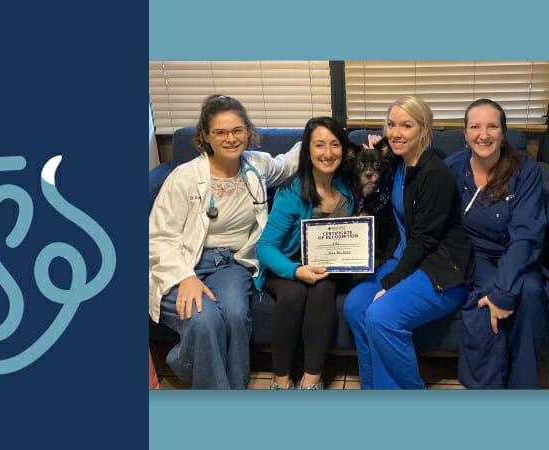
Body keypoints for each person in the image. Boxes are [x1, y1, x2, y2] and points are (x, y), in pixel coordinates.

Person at [148, 94, 301, 389]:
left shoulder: (256, 165)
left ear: (248, 131)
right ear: (205, 135)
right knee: (204, 321)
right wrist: (185, 277)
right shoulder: (184, 177)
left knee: (233, 315)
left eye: (237, 130)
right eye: (220, 132)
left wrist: (317, 135)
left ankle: (208, 373)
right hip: (185, 261)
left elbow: (288, 164)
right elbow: (159, 236)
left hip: (232, 263)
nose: (230, 139)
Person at [342, 95, 475, 389]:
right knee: (354, 304)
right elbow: (369, 182)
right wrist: (373, 153)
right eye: (391, 125)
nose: (397, 132)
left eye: (407, 125)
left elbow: (425, 241)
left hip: (440, 269)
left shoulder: (434, 173)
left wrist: (390, 284)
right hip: (406, 262)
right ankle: (375, 387)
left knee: (380, 315)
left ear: (424, 129)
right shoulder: (399, 165)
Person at [445, 98, 547, 389]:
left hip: (516, 255)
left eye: (492, 126)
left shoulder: (526, 172)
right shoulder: (451, 169)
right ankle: (486, 389)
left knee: (529, 291)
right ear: (464, 134)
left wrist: (504, 290)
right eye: (475, 126)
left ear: (503, 132)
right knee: (484, 298)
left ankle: (522, 388)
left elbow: (526, 233)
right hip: (470, 257)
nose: (484, 134)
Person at [256, 117, 354, 390]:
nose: (327, 153)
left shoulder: (347, 187)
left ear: (344, 150)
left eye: (335, 145)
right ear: (307, 151)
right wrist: (296, 271)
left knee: (323, 290)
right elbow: (265, 248)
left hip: (327, 267)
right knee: (294, 293)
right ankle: (281, 381)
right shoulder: (291, 193)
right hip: (285, 265)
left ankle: (311, 381)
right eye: (319, 145)